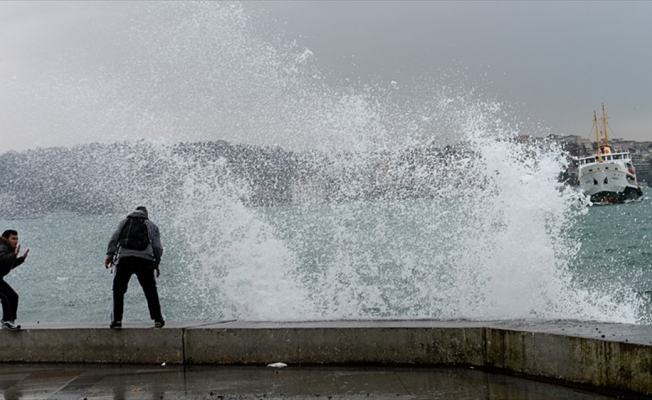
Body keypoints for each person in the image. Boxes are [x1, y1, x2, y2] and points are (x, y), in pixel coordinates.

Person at [104, 206, 164, 329]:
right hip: (145, 261)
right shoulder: (151, 225)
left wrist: (110, 255)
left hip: (124, 259)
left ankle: (116, 321)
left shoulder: (125, 222)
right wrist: (156, 263)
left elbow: (114, 238)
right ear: (146, 214)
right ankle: (157, 319)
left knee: (118, 290)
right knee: (150, 290)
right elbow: (157, 247)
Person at [0, 229, 29, 330]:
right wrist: (14, 255)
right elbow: (2, 259)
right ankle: (6, 321)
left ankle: (9, 321)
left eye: (17, 239)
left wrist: (21, 259)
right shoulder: (2, 247)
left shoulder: (7, 248)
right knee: (8, 296)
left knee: (12, 296)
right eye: (13, 238)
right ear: (6, 239)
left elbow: (6, 265)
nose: (15, 241)